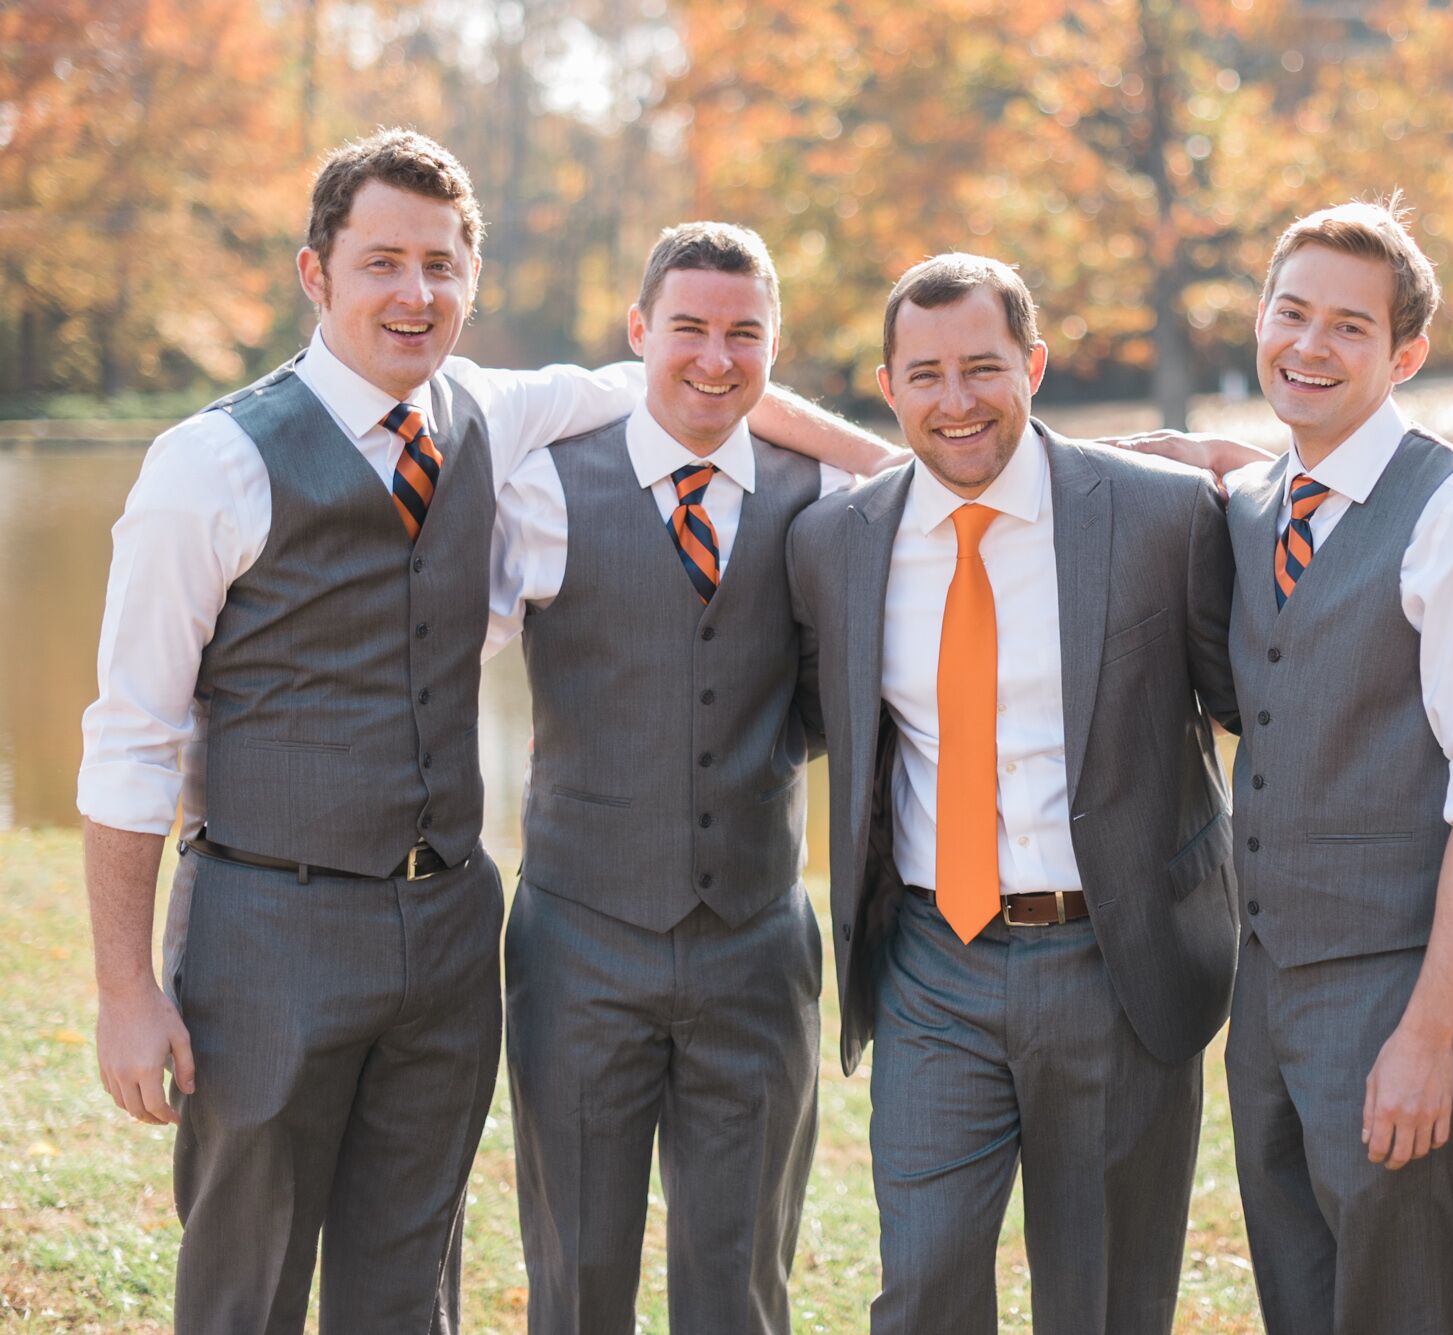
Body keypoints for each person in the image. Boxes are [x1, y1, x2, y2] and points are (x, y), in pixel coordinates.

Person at [78, 129, 883, 1331]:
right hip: (268, 927)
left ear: (471, 279)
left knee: (411, 1282)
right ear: (316, 273)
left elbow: (676, 383)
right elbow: (130, 738)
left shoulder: (494, 419)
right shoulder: (208, 466)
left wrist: (902, 470)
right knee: (244, 1280)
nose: (416, 295)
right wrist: (126, 988)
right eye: (382, 263)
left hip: (447, 929)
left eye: (443, 266)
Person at [787, 253, 1239, 1335]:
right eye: (925, 375)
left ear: (1031, 365)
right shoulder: (832, 545)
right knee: (924, 1285)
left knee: (1101, 1303)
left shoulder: (1164, 517)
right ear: (887, 387)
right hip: (933, 967)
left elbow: (1255, 709)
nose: (956, 403)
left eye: (983, 368)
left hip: (1114, 963)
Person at [1129, 198, 1453, 1333]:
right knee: (1298, 1298)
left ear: (1404, 353)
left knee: (1397, 1301)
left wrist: (1426, 1032)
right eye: (1290, 312)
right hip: (1266, 988)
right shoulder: (1261, 497)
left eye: (1348, 328)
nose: (1308, 346)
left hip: (1391, 984)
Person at [487, 220, 896, 1333]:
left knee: (740, 1281)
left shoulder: (825, 496)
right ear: (637, 333)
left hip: (757, 948)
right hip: (577, 943)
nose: (715, 358)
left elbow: (830, 695)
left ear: (774, 346)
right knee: (577, 1280)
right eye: (689, 329)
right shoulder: (540, 486)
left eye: (743, 334)